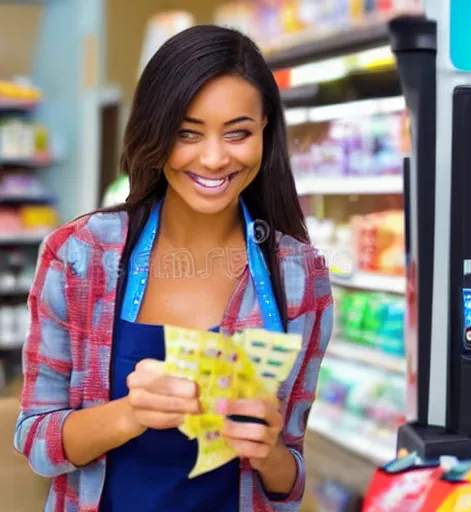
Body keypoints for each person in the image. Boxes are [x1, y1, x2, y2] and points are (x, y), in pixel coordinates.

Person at [14, 25, 333, 512]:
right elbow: (36, 440)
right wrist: (129, 414)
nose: (212, 157)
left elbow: (287, 480)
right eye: (187, 133)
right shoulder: (78, 256)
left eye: (238, 132)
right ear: (156, 132)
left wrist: (269, 453)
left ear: (266, 130)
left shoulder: (298, 277)